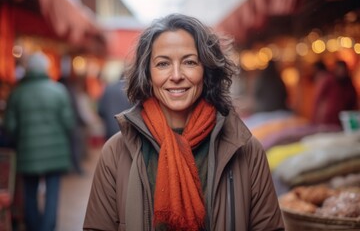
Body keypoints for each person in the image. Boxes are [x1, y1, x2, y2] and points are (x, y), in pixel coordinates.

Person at [84, 14, 284, 231]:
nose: (177, 75)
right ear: (148, 74)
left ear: (206, 70)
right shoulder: (116, 152)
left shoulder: (246, 150)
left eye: (189, 62)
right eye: (163, 64)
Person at [3, 51, 75, 231]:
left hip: (28, 151)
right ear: (45, 69)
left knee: (30, 193)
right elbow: (69, 123)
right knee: (52, 194)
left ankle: (33, 226)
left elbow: (9, 126)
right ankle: (47, 228)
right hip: (55, 153)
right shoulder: (59, 90)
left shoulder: (17, 93)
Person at [311, 60, 358, 125]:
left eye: (343, 69)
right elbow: (318, 99)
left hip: (343, 119)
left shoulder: (349, 84)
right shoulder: (329, 81)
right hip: (328, 119)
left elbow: (353, 100)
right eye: (339, 69)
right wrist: (315, 119)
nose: (341, 72)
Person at [98, 75, 132, 140]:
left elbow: (101, 110)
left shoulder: (108, 88)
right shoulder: (131, 90)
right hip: (128, 131)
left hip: (110, 129)